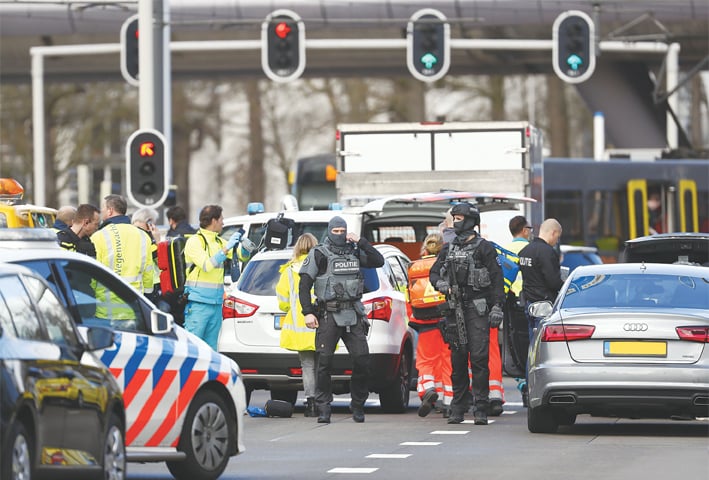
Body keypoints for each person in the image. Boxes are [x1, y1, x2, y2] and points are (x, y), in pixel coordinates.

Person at [298, 216, 384, 424]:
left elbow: (378, 261)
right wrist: (307, 312)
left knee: (362, 360)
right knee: (324, 363)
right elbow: (304, 284)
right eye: (335, 231)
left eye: (342, 231)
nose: (339, 235)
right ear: (329, 231)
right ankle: (324, 407)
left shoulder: (354, 251)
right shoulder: (319, 254)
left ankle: (357, 404)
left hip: (353, 313)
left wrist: (361, 242)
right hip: (328, 313)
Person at [429, 202, 505, 425]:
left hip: (478, 308)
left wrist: (498, 306)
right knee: (458, 358)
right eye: (455, 217)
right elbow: (434, 273)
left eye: (460, 217)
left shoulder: (485, 248)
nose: (456, 221)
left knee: (480, 359)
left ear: (471, 221)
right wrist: (441, 284)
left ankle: (480, 407)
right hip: (455, 309)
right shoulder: (448, 247)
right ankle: (458, 407)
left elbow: (497, 280)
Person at [183, 204, 242, 350]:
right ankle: (190, 374)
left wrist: (246, 246)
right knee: (193, 348)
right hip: (198, 304)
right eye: (221, 219)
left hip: (215, 304)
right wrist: (227, 249)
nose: (223, 222)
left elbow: (242, 256)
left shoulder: (218, 241)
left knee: (211, 350)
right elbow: (206, 265)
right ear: (214, 221)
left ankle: (207, 374)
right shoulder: (195, 241)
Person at [407, 233, 453, 418]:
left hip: (423, 321)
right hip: (445, 319)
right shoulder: (447, 264)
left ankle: (427, 389)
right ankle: (448, 400)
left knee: (425, 360)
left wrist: (412, 318)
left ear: (424, 248)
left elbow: (408, 296)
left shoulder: (414, 267)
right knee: (447, 361)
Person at [276, 233, 319, 417]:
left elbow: (283, 301)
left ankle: (311, 403)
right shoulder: (321, 267)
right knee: (321, 365)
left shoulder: (288, 271)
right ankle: (321, 400)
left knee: (307, 365)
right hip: (320, 322)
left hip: (299, 326)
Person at [91, 194, 155, 296]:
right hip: (134, 301)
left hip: (105, 304)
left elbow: (93, 271)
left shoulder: (99, 236)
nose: (100, 211)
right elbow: (148, 271)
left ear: (110, 210)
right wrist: (147, 296)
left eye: (102, 208)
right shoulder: (143, 235)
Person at [518, 218, 564, 342]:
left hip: (528, 303)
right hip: (544, 305)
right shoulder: (547, 252)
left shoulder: (524, 251)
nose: (556, 241)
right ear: (553, 233)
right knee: (542, 347)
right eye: (557, 237)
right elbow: (553, 281)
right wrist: (565, 286)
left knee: (532, 345)